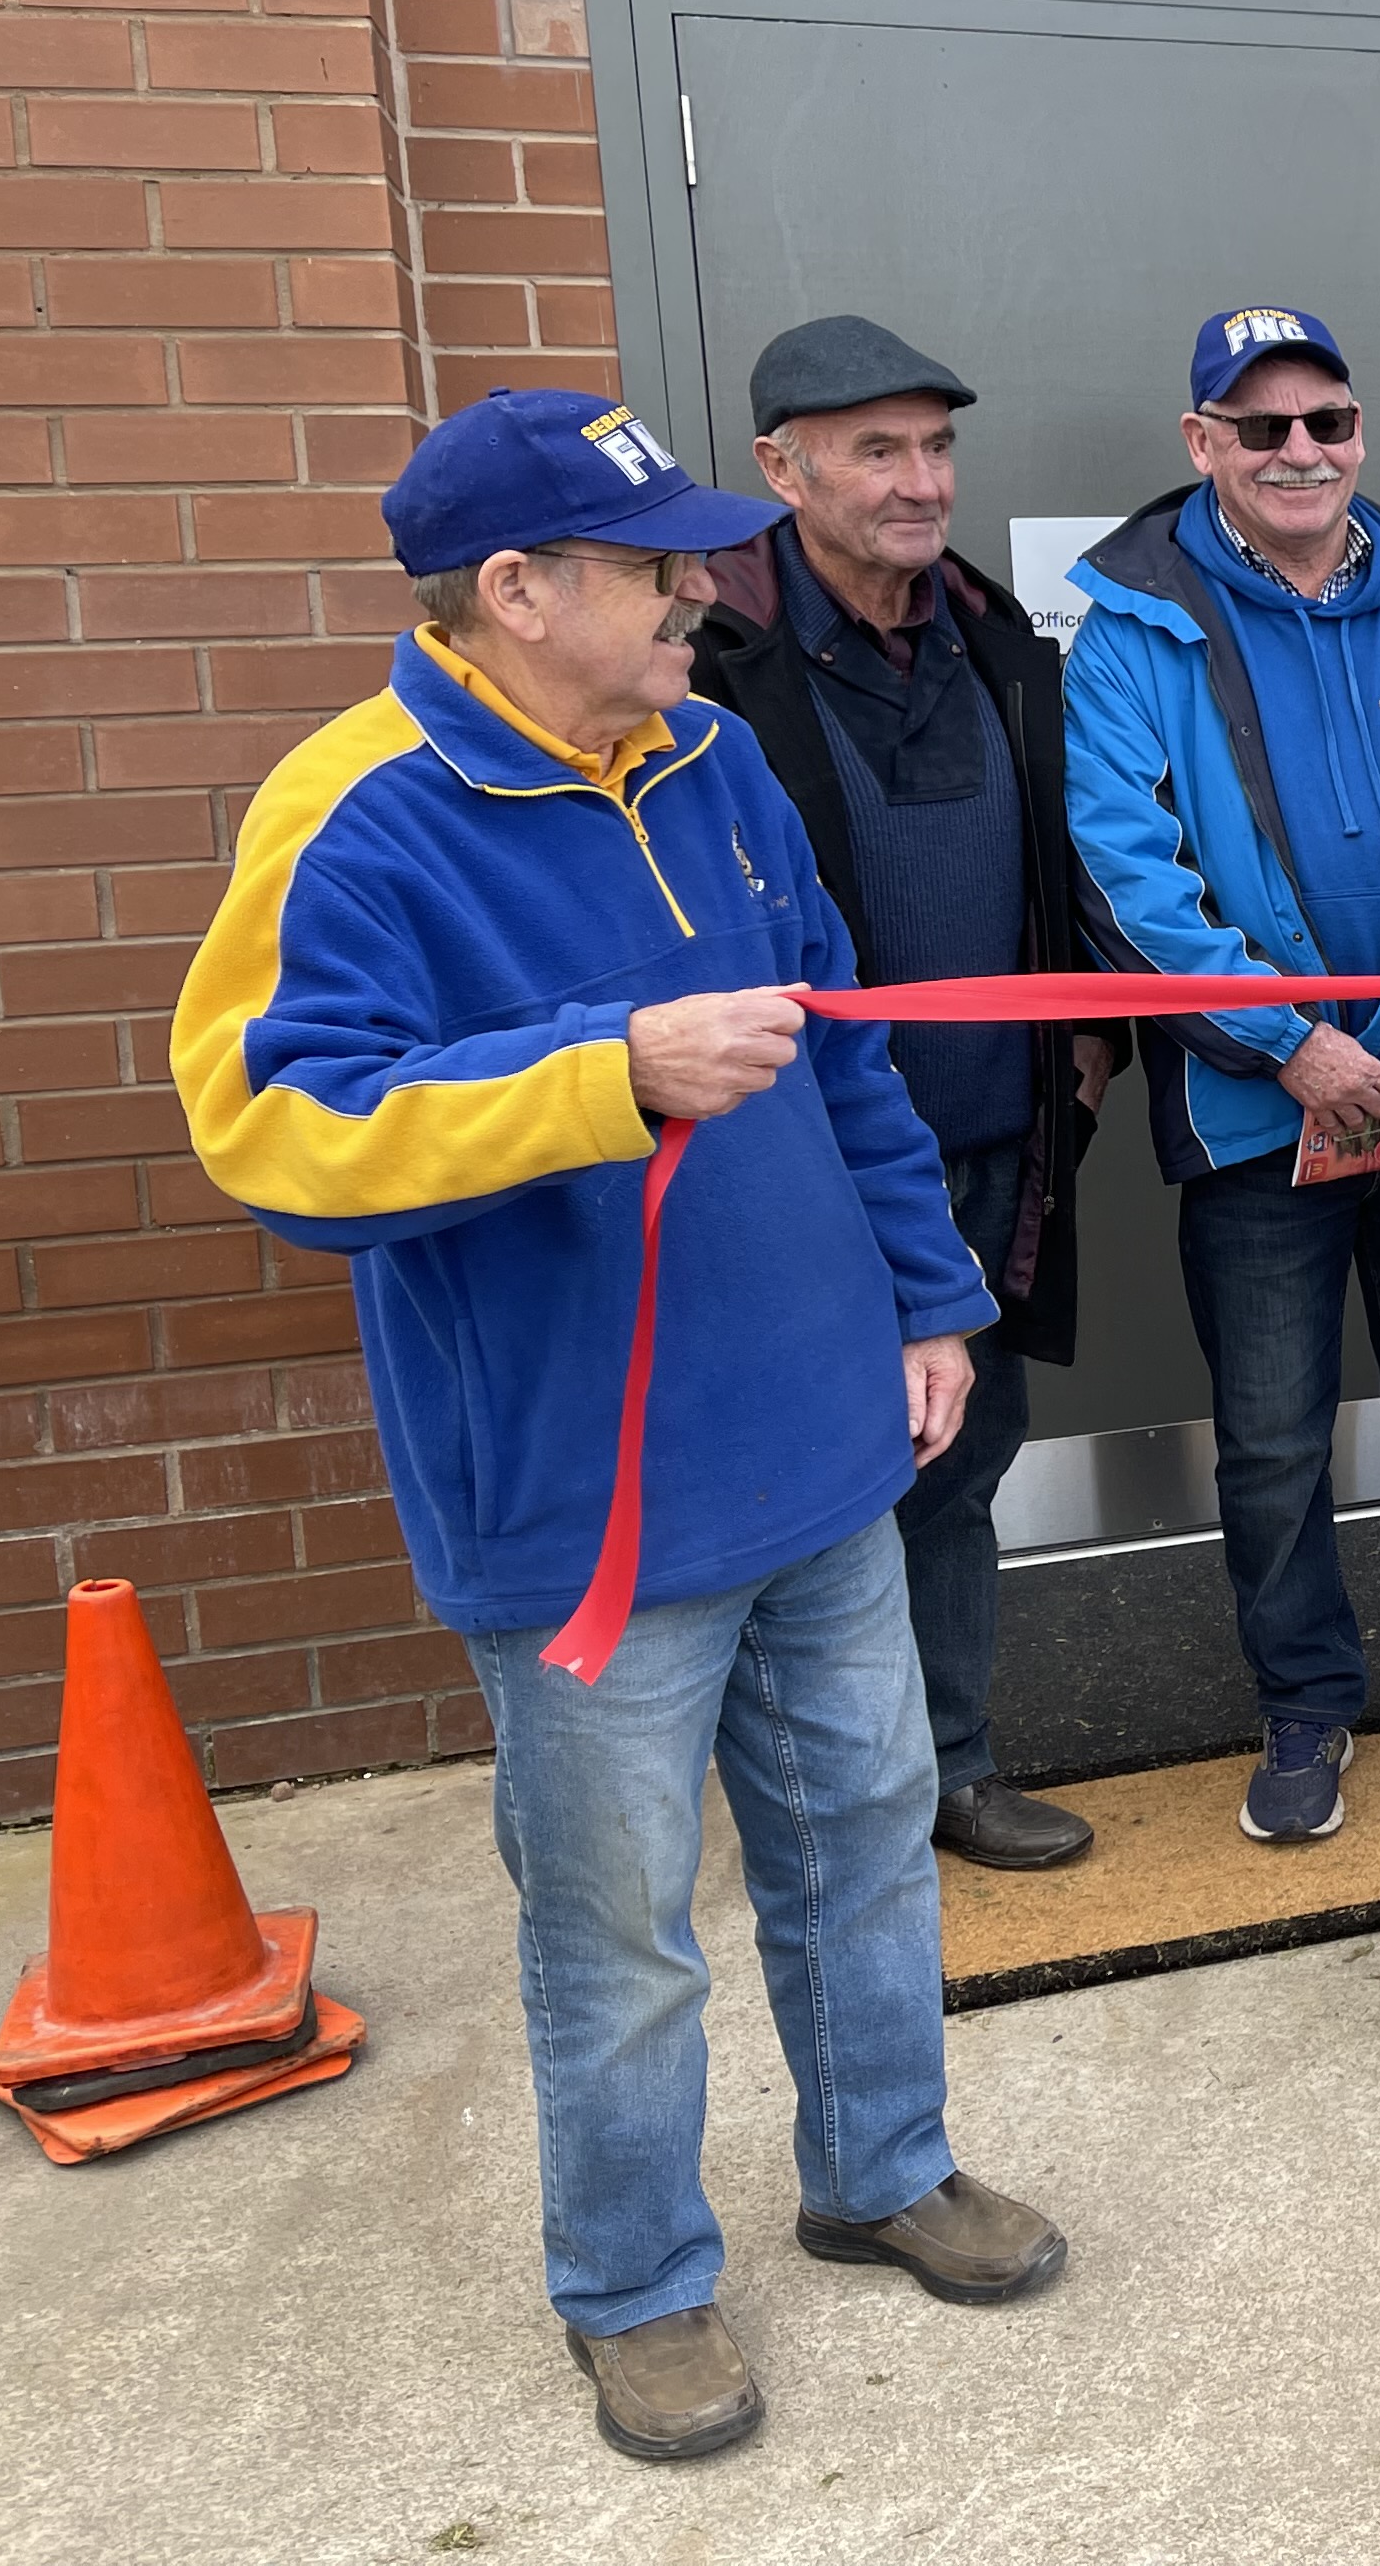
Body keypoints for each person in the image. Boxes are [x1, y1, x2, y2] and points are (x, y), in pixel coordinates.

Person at [172, 391, 1065, 2466]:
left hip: (825, 1446)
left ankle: (880, 2170)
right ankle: (641, 2287)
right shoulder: (356, 812)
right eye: (658, 564)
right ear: (513, 591)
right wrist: (605, 1073)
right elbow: (273, 1130)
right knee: (619, 1937)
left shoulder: (713, 753)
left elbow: (839, 1052)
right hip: (584, 1508)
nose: (700, 590)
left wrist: (932, 1297)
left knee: (863, 1847)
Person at [1063, 306, 1380, 1847]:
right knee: (1273, 1437)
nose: (1298, 452)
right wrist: (1295, 1045)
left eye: (1324, 422)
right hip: (1255, 1118)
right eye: (1258, 426)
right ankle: (1303, 1708)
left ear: (1359, 435)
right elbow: (1127, 878)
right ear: (1200, 442)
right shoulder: (1129, 628)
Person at [680, 316, 1113, 1873]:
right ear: (779, 467)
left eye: (936, 445)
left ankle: (953, 1768)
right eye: (878, 448)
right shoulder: (710, 661)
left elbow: (1058, 867)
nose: (920, 480)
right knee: (813, 1481)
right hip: (798, 1161)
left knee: (966, 1458)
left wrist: (1091, 1041)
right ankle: (817, 1795)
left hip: (993, 1146)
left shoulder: (1001, 642)